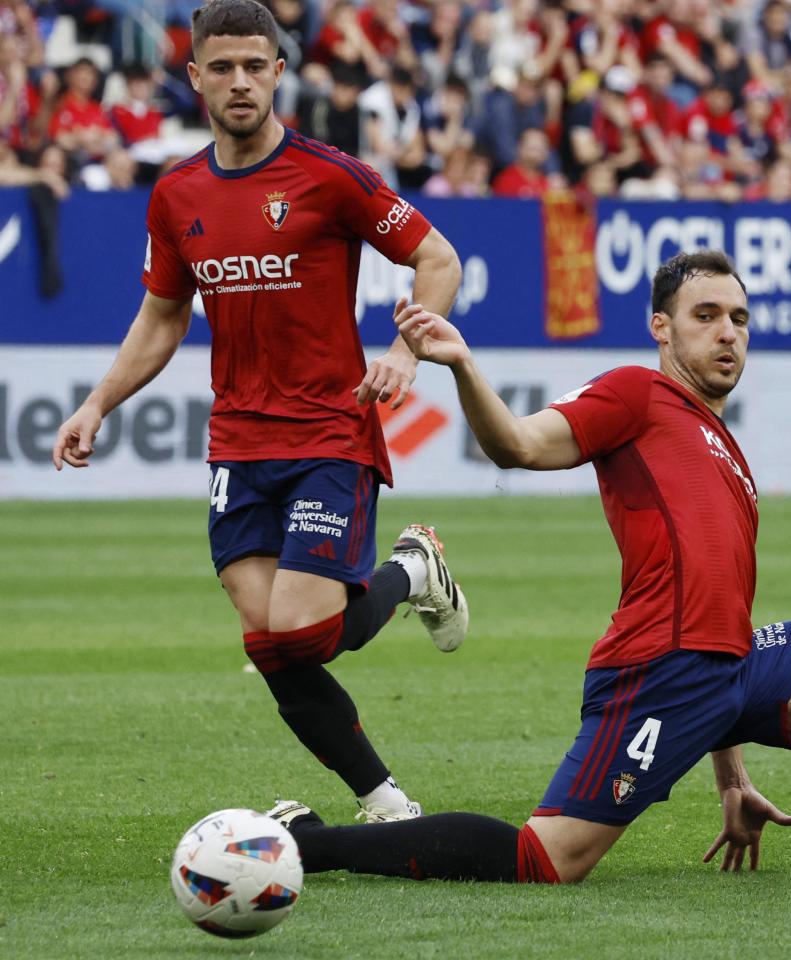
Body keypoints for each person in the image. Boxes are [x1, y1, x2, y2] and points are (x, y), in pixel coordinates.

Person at [267, 251, 791, 887]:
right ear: (662, 327)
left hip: (724, 669)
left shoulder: (724, 445)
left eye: (739, 318)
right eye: (706, 316)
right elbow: (520, 445)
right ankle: (317, 842)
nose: (727, 333)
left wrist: (732, 771)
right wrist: (462, 366)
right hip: (653, 675)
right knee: (547, 859)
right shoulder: (634, 396)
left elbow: (719, 603)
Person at [50, 0, 469, 823]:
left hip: (329, 431)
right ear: (195, 76)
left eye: (256, 65)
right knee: (267, 638)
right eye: (223, 66)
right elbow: (164, 315)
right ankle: (386, 803)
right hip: (238, 442)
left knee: (302, 633)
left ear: (280, 72)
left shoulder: (329, 175)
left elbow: (436, 256)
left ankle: (413, 569)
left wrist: (406, 350)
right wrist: (97, 402)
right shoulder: (175, 194)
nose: (240, 81)